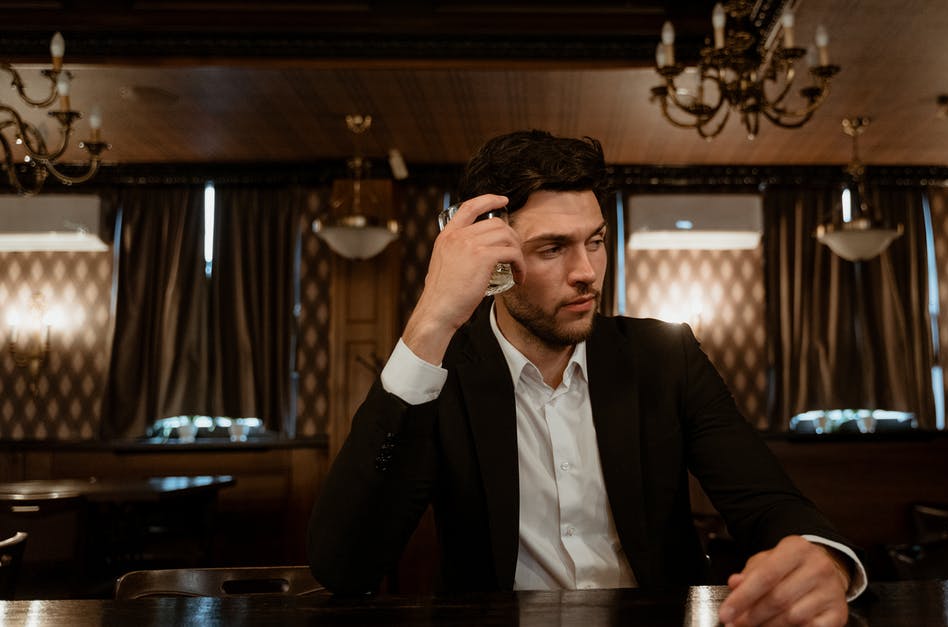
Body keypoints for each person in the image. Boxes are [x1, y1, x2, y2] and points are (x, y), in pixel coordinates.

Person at [308, 129, 867, 626]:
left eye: (595, 242)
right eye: (552, 248)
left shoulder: (665, 356)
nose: (586, 273)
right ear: (494, 259)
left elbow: (767, 501)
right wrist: (432, 318)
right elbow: (346, 565)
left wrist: (824, 559)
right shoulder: (441, 371)